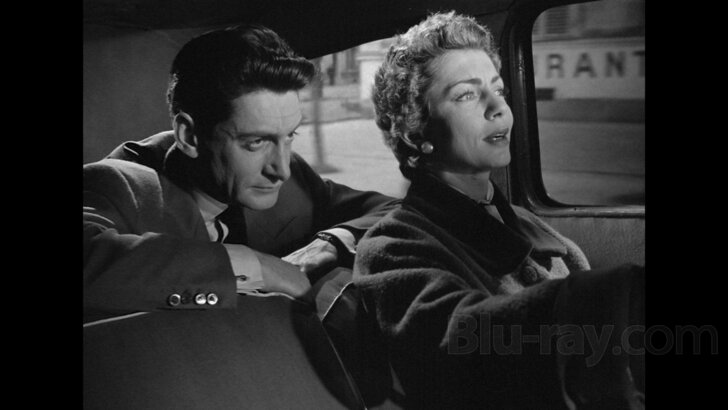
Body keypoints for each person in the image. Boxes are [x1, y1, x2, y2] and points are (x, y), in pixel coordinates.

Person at [352, 11, 644, 409]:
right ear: (416, 132)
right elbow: (459, 345)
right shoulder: (392, 247)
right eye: (466, 95)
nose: (498, 109)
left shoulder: (525, 222)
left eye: (498, 89)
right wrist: (624, 301)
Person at [83, 24, 398, 318]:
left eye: (290, 135)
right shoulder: (114, 185)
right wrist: (259, 268)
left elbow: (393, 210)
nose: (281, 170)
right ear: (189, 136)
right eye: (256, 142)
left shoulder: (294, 177)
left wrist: (329, 243)